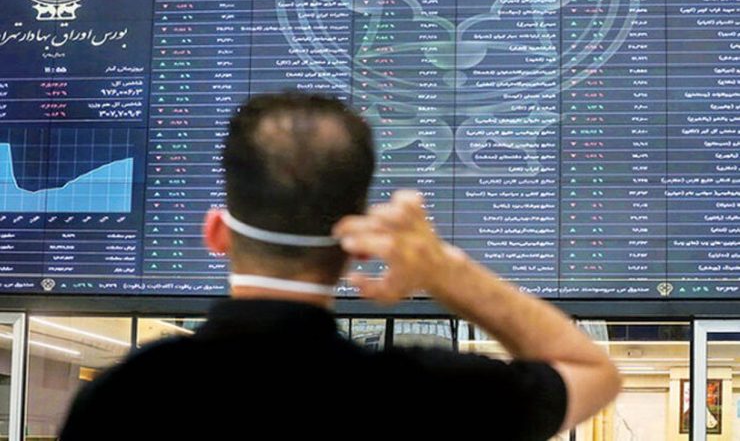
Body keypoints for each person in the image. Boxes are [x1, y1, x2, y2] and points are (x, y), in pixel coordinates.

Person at [60, 93, 621, 440]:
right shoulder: (430, 396)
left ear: (216, 233)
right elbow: (593, 371)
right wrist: (446, 271)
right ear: (358, 244)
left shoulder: (121, 399)